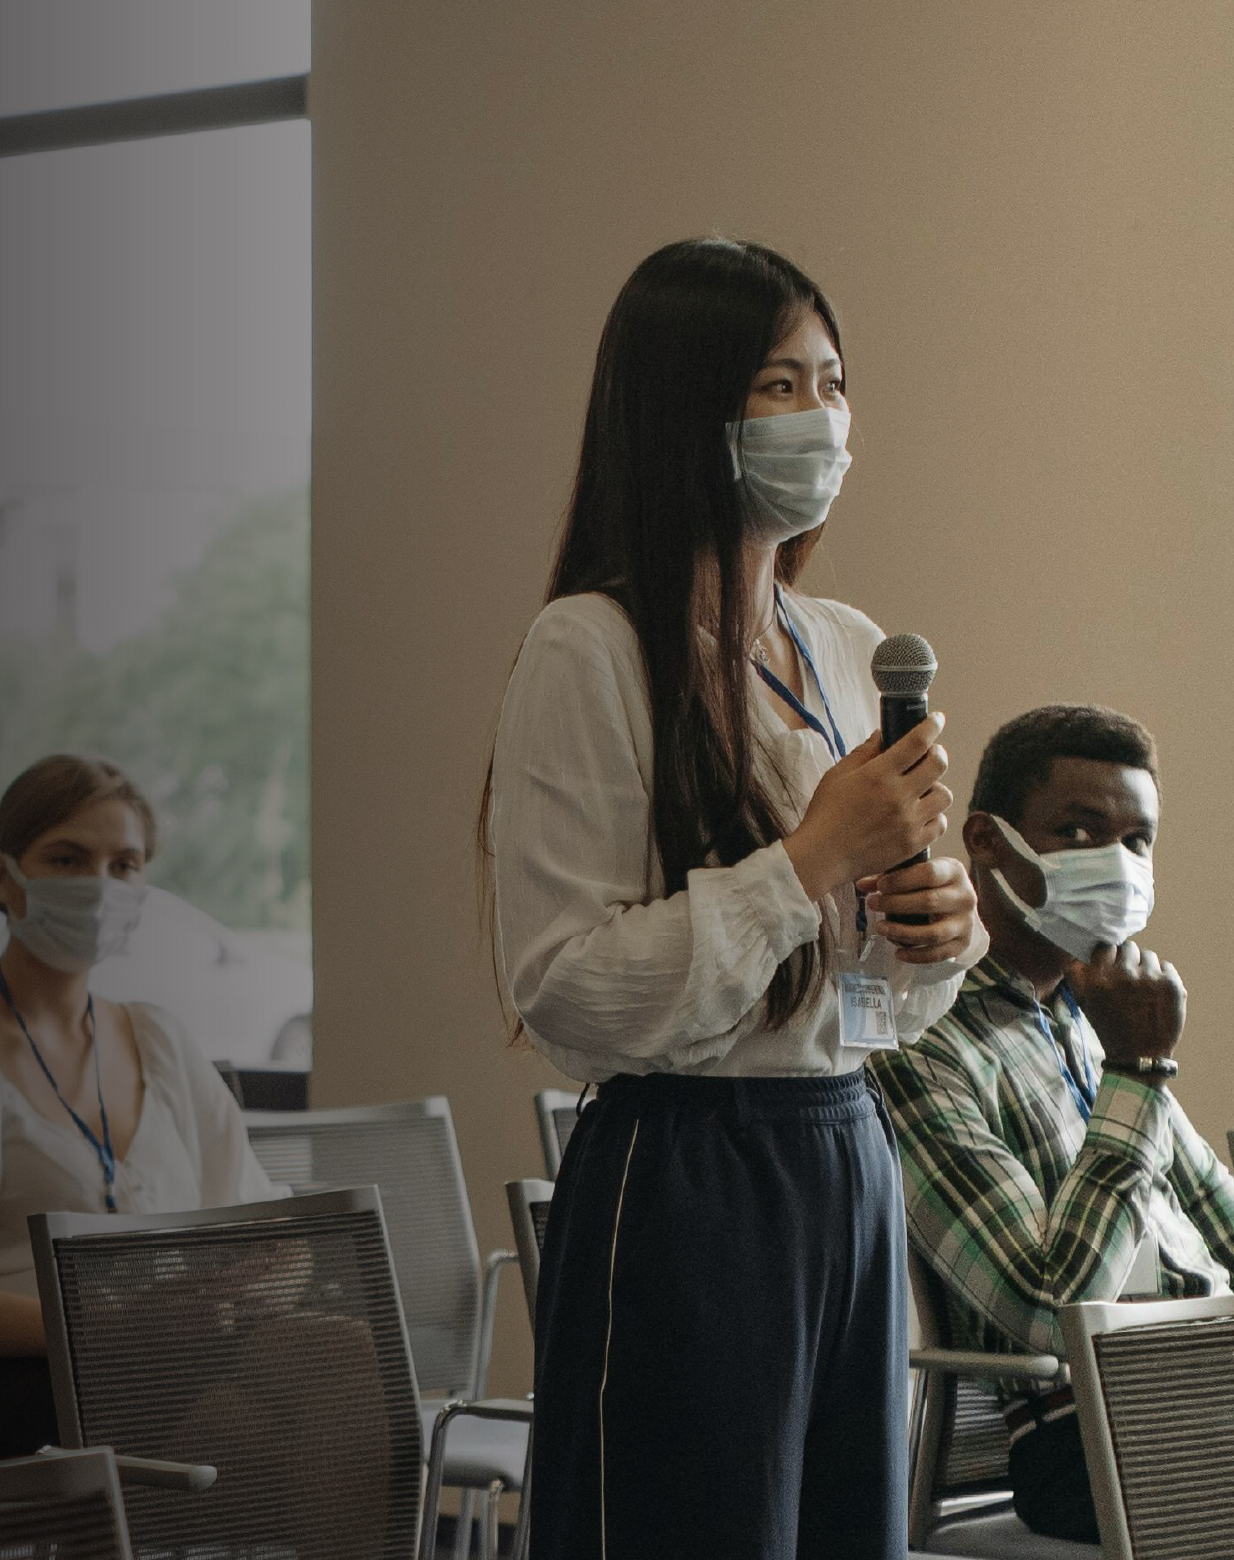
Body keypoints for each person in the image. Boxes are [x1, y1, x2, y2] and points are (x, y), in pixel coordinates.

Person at [486, 237, 989, 1560]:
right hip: (685, 1174)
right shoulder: (590, 647)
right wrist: (810, 860)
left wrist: (938, 934)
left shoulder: (844, 645)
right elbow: (568, 993)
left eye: (833, 383)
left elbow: (880, 998)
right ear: (684, 411)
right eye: (779, 384)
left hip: (846, 1153)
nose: (819, 416)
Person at [0, 753, 278, 1463]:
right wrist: (98, 1326)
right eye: (67, 859)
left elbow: (264, 1225)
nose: (98, 886)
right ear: (4, 877)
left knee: (336, 1352)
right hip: (28, 1379)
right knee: (269, 1421)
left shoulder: (158, 1039)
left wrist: (256, 1280)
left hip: (176, 1357)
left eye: (124, 865)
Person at [867, 705, 1234, 1542]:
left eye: (1137, 841)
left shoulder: (1092, 1019)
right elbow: (1047, 1309)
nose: (1116, 863)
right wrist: (1138, 1070)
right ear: (987, 842)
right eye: (1077, 830)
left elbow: (1223, 1226)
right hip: (1096, 1438)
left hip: (1207, 1393)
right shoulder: (922, 1041)